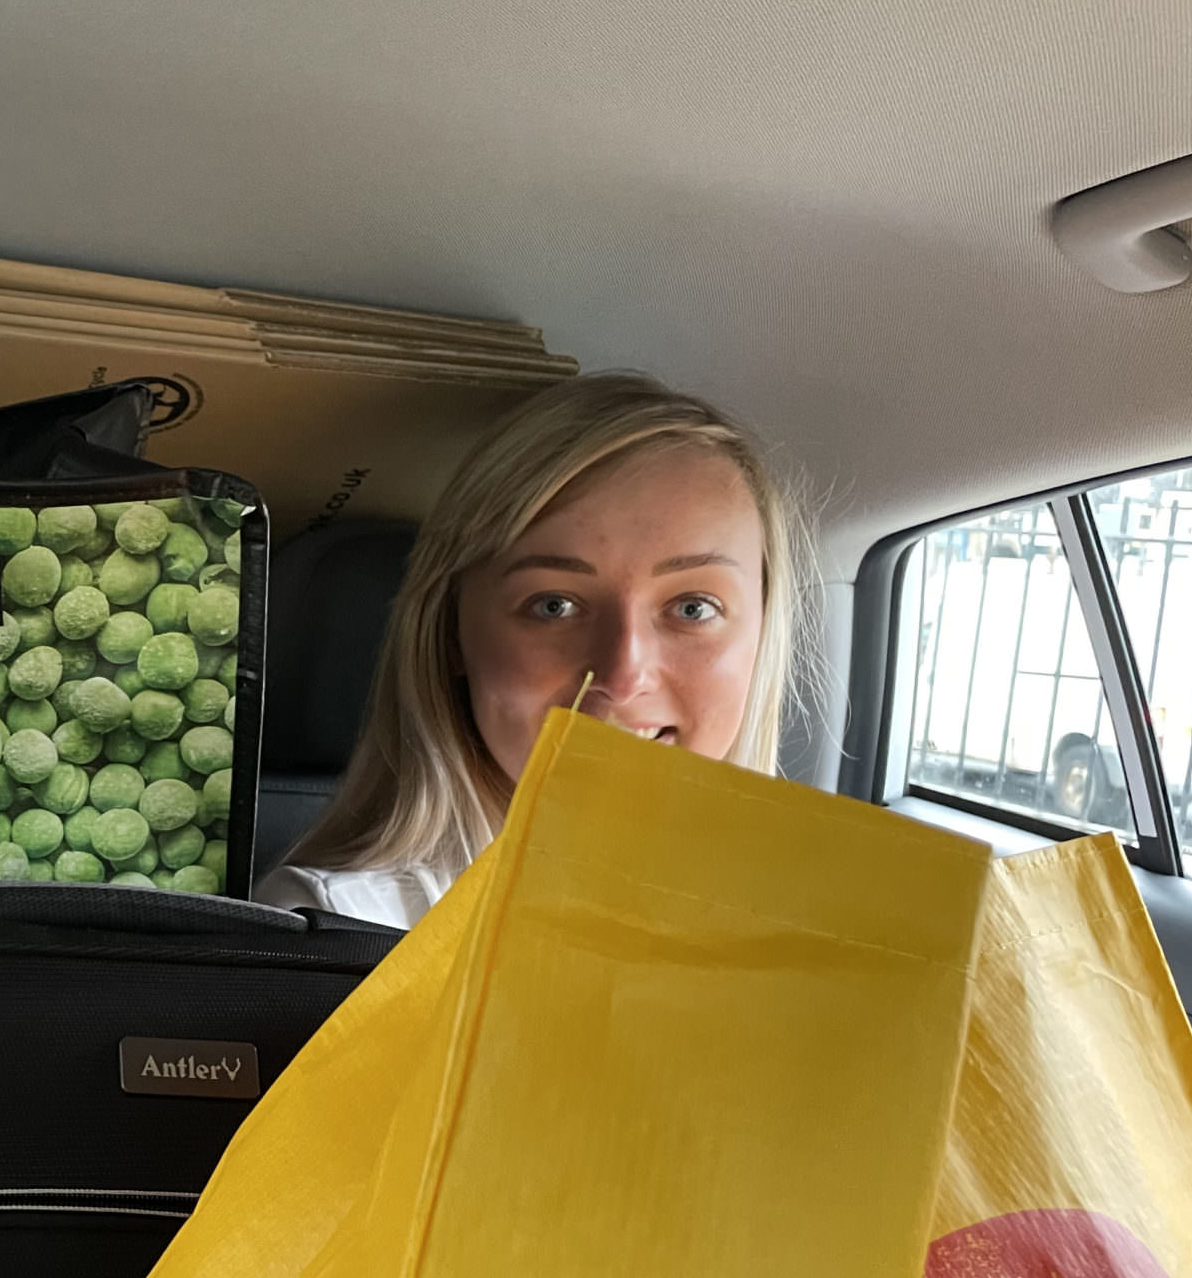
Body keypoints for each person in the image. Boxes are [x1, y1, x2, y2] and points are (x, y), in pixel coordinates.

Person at [256, 372, 812, 927]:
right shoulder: (339, 927)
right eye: (554, 606)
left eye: (692, 608)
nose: (623, 675)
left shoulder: (802, 925)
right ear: (450, 635)